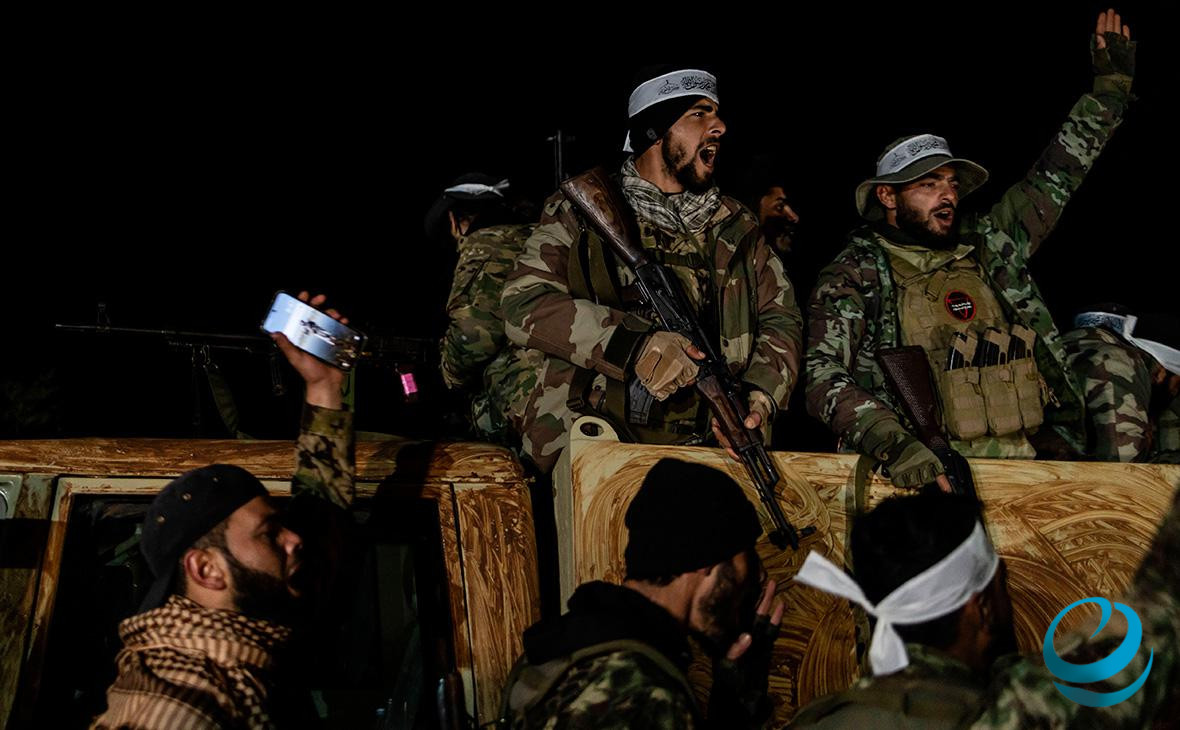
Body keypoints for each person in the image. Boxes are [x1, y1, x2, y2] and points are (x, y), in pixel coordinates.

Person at [805, 9, 1136, 486]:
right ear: (888, 197)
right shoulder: (856, 273)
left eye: (951, 183)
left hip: (1025, 471)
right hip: (930, 478)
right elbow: (822, 375)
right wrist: (896, 445)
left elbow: (1058, 173)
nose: (947, 194)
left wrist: (1110, 89)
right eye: (928, 184)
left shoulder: (992, 243)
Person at [500, 66, 803, 473]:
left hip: (711, 454)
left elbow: (781, 317)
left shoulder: (737, 226)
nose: (719, 127)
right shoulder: (580, 213)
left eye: (716, 114)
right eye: (699, 114)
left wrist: (759, 397)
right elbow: (524, 303)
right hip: (600, 445)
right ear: (655, 132)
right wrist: (634, 344)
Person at [92, 292, 355, 730]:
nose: (295, 539)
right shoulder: (179, 706)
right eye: (270, 534)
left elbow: (322, 521)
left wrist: (323, 385)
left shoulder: (249, 637)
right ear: (207, 569)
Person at [790, 487, 1179, 727]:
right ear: (982, 610)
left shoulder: (816, 718)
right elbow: (1159, 627)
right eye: (1000, 585)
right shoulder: (1016, 712)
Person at [501, 458, 783, 729]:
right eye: (744, 562)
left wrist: (734, 696)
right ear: (707, 561)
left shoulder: (573, 646)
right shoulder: (644, 695)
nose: (750, 582)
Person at [429, 174, 537, 441]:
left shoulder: (485, 244)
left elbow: (473, 336)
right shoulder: (540, 234)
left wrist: (448, 374)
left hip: (529, 405)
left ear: (454, 220)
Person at [1060, 305, 1180, 462]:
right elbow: (1122, 462)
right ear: (1161, 374)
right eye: (1177, 385)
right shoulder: (1114, 362)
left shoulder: (1067, 348)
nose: (1174, 392)